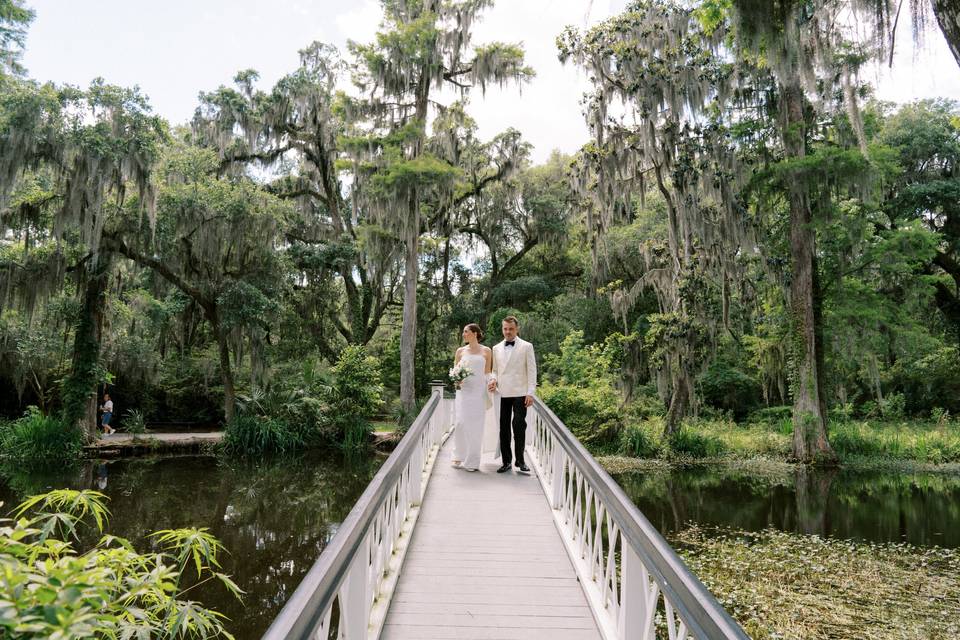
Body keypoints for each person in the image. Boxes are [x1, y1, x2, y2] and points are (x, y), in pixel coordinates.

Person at [488, 316, 537, 474]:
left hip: (520, 392)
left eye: (511, 329)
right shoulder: (496, 348)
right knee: (503, 428)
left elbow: (532, 371)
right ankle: (506, 461)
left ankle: (521, 461)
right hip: (501, 393)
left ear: (517, 329)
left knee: (519, 426)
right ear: (502, 329)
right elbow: (494, 370)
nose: (507, 332)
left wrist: (531, 393)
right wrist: (493, 379)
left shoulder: (527, 346)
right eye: (505, 329)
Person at [451, 324, 494, 472]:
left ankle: (473, 461)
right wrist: (457, 380)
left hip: (478, 393)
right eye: (463, 331)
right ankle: (458, 454)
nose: (463, 334)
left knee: (475, 426)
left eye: (466, 332)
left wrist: (492, 382)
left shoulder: (486, 351)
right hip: (464, 392)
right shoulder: (460, 351)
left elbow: (487, 372)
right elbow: (455, 371)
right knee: (460, 423)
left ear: (475, 333)